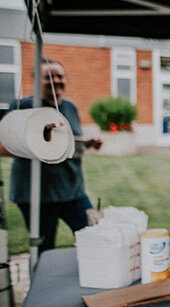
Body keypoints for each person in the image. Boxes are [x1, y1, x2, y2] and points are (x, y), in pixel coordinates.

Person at [0, 60, 102, 254]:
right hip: (36, 195)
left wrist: (87, 144)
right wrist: (36, 146)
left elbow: (65, 143)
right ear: (36, 80)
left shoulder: (70, 106)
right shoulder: (24, 106)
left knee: (94, 236)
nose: (55, 80)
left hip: (73, 190)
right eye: (49, 76)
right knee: (44, 249)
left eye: (59, 76)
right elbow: (3, 145)